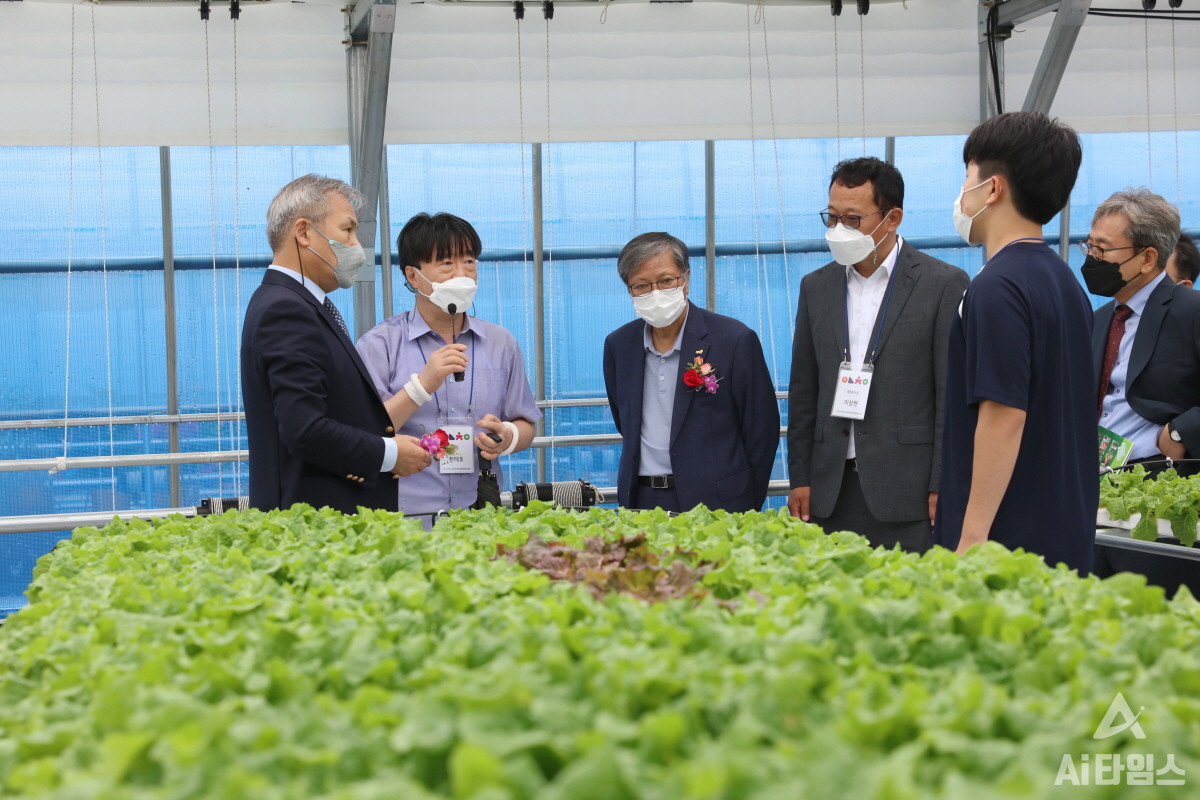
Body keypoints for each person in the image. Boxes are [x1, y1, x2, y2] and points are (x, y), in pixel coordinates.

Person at [934, 111, 1096, 574]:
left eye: (968, 176)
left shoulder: (996, 287)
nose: (962, 191)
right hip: (1063, 523)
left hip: (1007, 537)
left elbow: (1004, 413)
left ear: (993, 188)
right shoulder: (1063, 281)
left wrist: (972, 537)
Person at [787, 157, 969, 553]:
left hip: (909, 490)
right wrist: (799, 476)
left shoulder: (942, 284)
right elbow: (804, 389)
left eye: (852, 219)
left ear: (892, 218)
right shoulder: (816, 287)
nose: (839, 229)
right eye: (832, 217)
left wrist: (943, 483)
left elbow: (949, 395)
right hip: (830, 488)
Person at [241, 174, 431, 514]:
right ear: (303, 232)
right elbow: (304, 428)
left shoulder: (298, 303)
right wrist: (389, 454)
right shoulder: (286, 309)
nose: (357, 246)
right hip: (311, 520)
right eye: (347, 230)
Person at [356, 212, 541, 520]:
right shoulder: (380, 344)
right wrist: (421, 386)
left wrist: (507, 437)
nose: (462, 273)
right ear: (413, 276)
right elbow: (364, 432)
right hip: (402, 517)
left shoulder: (500, 342)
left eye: (469, 261)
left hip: (479, 514)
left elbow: (525, 424)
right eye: (446, 263)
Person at [602, 232, 779, 513]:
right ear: (629, 290)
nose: (655, 293)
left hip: (717, 502)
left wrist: (746, 501)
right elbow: (624, 420)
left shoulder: (733, 339)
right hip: (641, 499)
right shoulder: (619, 345)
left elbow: (761, 430)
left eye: (666, 281)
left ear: (686, 279)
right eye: (642, 286)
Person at [1086, 190, 1200, 474]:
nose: (1092, 258)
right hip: (1093, 476)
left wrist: (1180, 432)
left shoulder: (1191, 311)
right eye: (1089, 246)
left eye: (1102, 249)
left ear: (1147, 258)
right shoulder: (1098, 321)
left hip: (1160, 478)